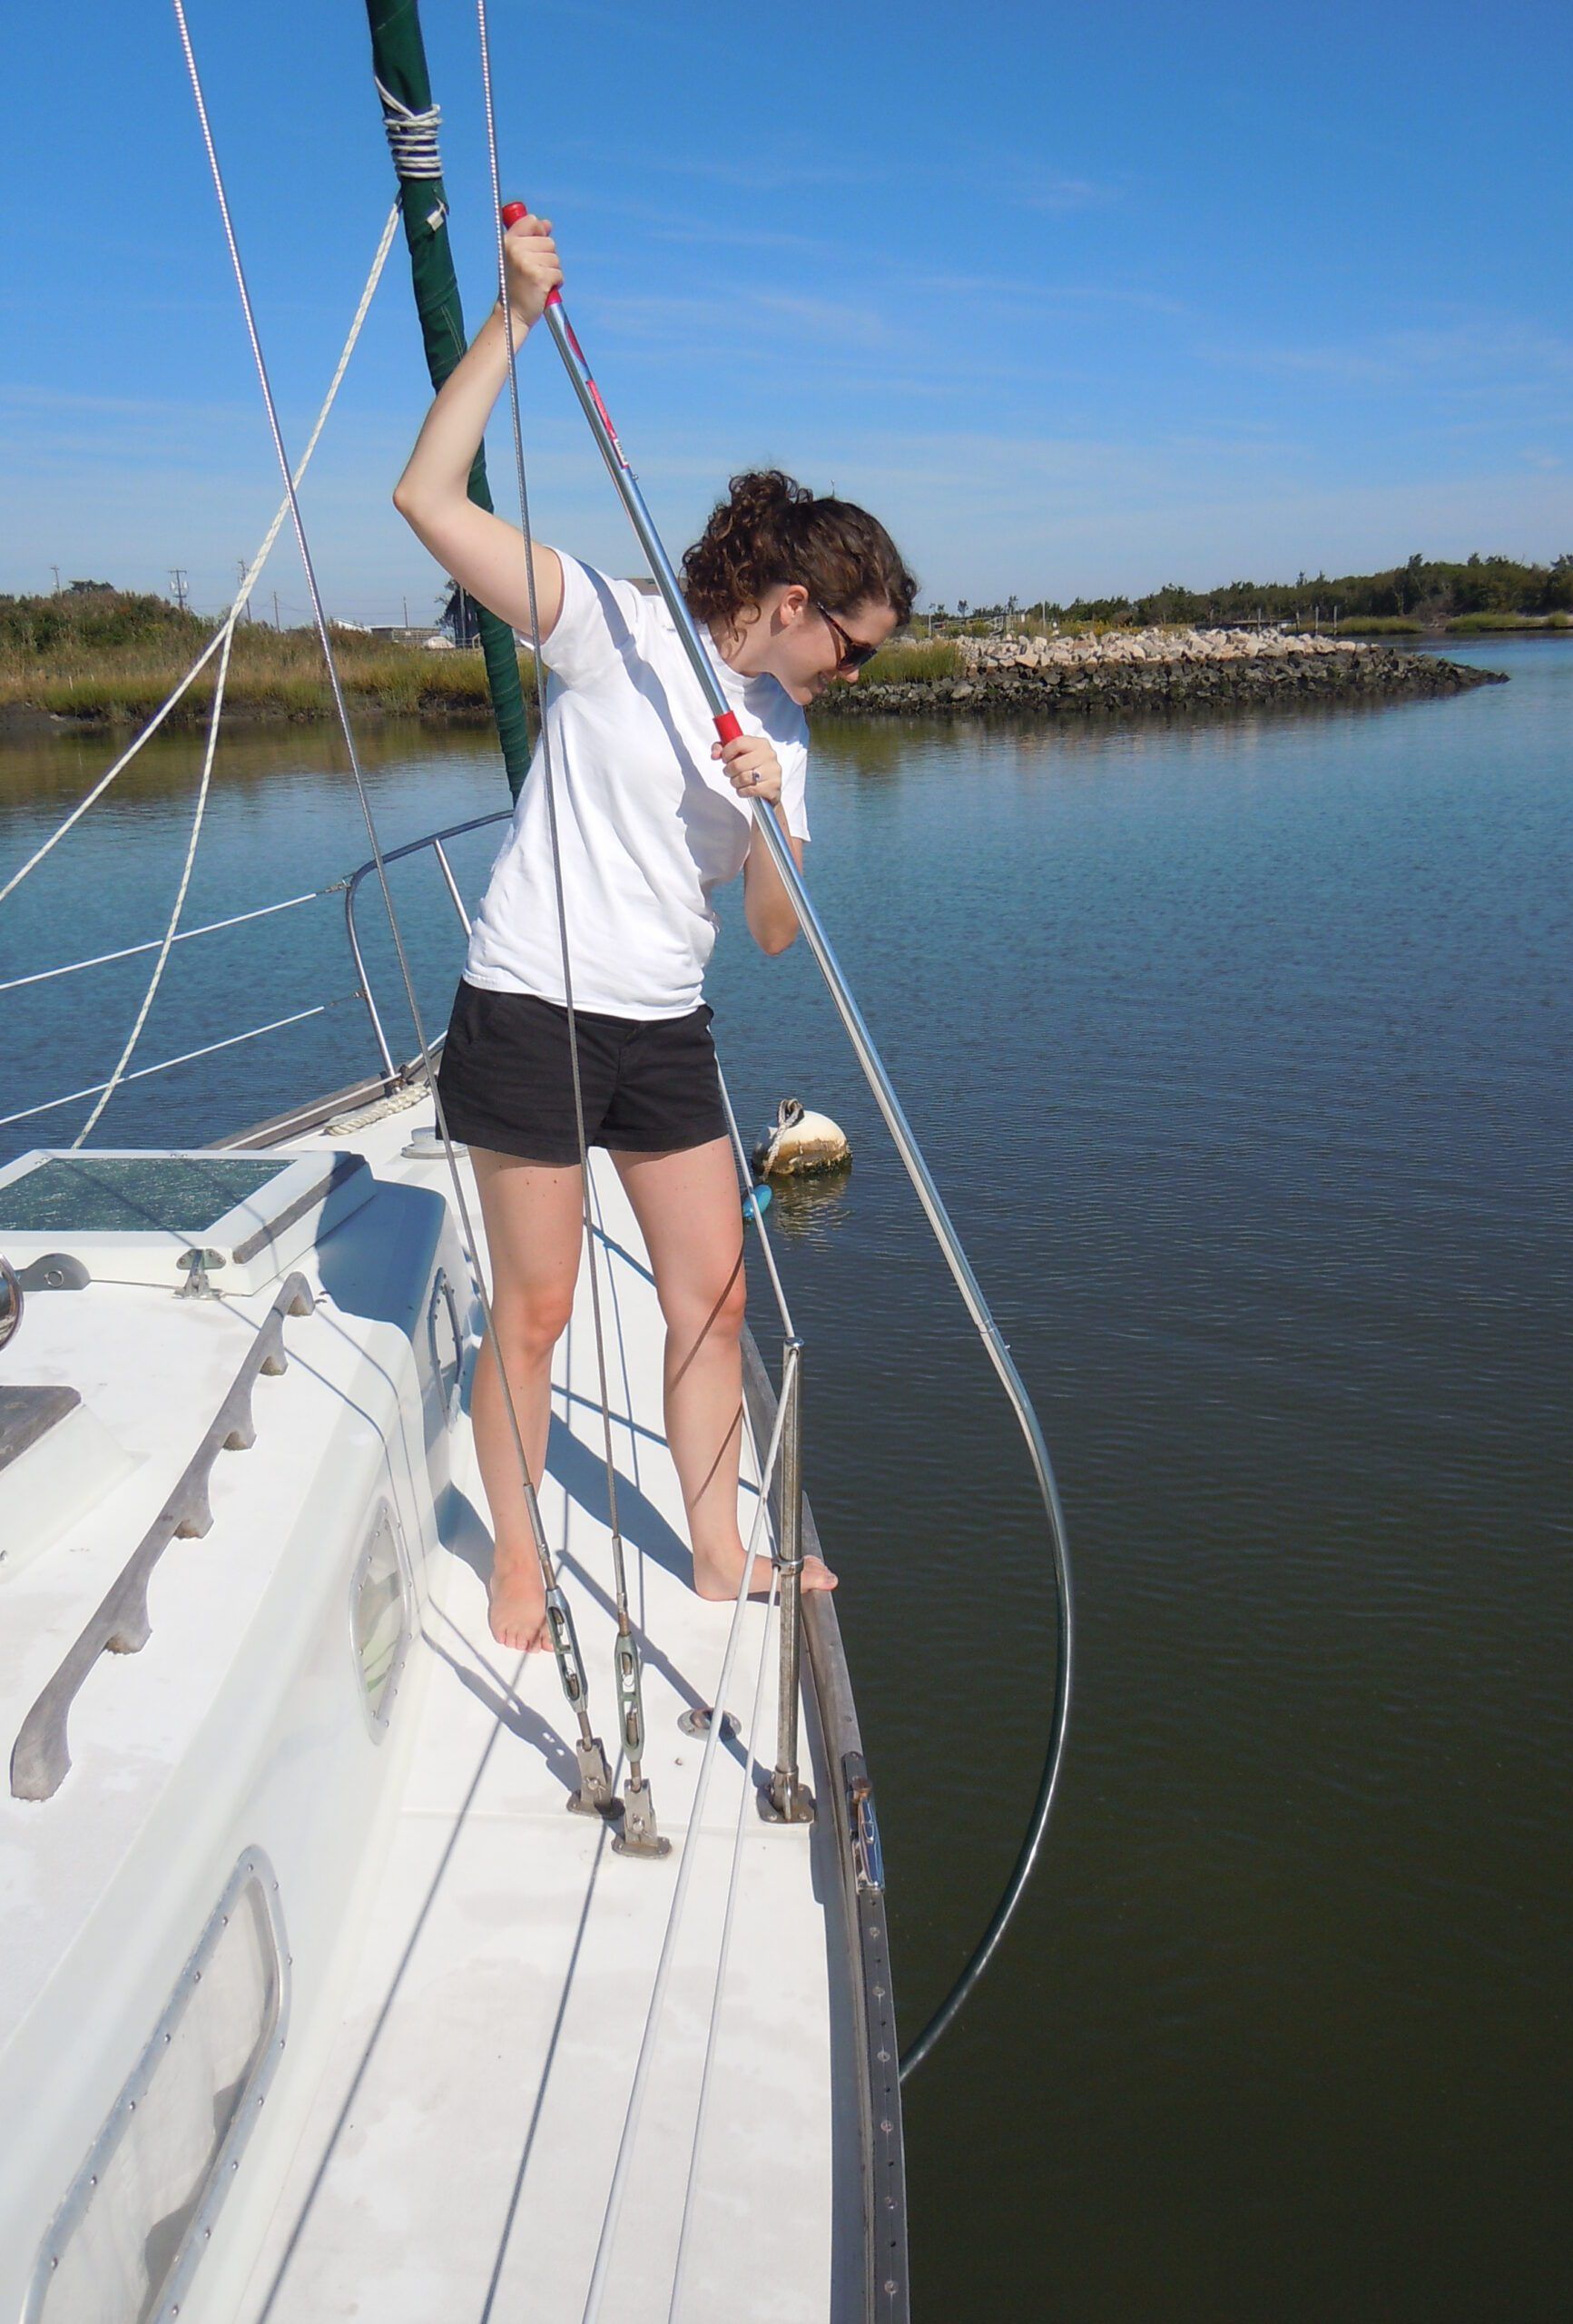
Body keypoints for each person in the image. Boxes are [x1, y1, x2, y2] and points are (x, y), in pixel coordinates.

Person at [393, 212, 916, 1650]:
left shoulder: (785, 734)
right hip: (532, 1008)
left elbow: (765, 934)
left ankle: (718, 1547)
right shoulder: (606, 627)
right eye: (853, 646)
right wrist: (509, 315)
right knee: (543, 1309)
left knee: (719, 1301)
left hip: (663, 1024)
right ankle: (516, 1558)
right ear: (798, 603)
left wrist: (763, 807)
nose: (855, 672)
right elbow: (426, 499)